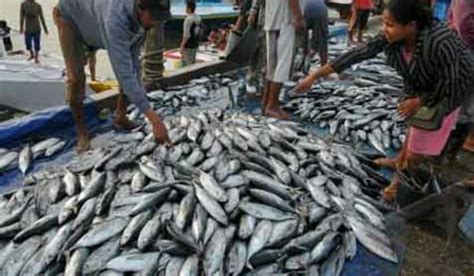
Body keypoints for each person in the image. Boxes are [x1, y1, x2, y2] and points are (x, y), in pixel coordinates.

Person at [295, 0, 474, 201]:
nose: (385, 29)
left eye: (390, 24)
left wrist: (419, 101)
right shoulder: (392, 38)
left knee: (419, 147)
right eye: (384, 23)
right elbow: (358, 53)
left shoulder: (440, 41)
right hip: (421, 85)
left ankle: (400, 180)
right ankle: (400, 159)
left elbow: (452, 82)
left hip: (452, 89)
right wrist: (314, 76)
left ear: (411, 25)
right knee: (413, 126)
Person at [53, 0, 171, 152]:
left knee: (130, 70)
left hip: (94, 20)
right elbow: (123, 73)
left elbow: (133, 63)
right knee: (76, 78)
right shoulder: (115, 19)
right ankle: (82, 133)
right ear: (141, 9)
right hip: (70, 18)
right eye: (154, 17)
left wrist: (146, 107)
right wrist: (155, 121)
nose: (155, 22)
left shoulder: (143, 21)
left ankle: (120, 118)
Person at [262, 0, 305, 120]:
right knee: (282, 65)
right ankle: (272, 106)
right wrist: (298, 17)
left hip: (274, 19)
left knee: (273, 65)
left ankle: (266, 102)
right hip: (285, 20)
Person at [448, 0, 474, 153]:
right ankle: (451, 149)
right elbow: (464, 25)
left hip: (463, 46)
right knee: (465, 102)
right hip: (469, 48)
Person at [246, 0, 266, 95]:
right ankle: (252, 80)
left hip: (278, 23)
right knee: (258, 52)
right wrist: (253, 13)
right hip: (264, 23)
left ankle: (263, 78)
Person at [303, 0, 329, 66]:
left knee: (302, 38)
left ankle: (303, 61)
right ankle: (324, 65)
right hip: (320, 9)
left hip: (305, 8)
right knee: (322, 39)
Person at [180, 1, 202, 66]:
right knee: (192, 63)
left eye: (186, 7)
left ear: (189, 9)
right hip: (195, 44)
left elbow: (186, 35)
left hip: (188, 46)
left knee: (186, 65)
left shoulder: (188, 19)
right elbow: (200, 31)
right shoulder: (198, 17)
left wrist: (181, 46)